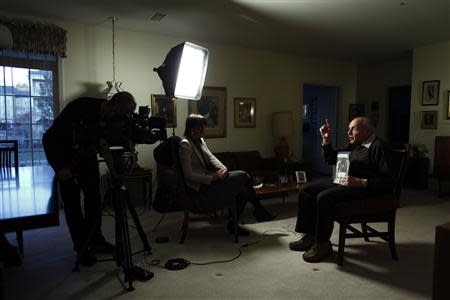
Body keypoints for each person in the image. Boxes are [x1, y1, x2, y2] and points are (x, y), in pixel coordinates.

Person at [42, 91, 137, 265]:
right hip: (65, 157)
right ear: (114, 106)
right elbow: (49, 138)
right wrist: (60, 166)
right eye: (124, 113)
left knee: (94, 199)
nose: (125, 117)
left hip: (86, 157)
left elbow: (104, 142)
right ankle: (81, 248)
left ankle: (96, 241)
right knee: (72, 205)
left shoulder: (111, 118)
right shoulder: (81, 107)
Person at [289, 117, 394, 262]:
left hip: (368, 191)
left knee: (324, 197)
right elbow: (331, 158)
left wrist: (360, 182)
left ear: (368, 130)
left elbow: (389, 183)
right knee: (306, 190)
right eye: (349, 128)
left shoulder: (379, 146)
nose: (349, 132)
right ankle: (311, 235)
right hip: (349, 183)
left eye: (354, 129)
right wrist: (326, 140)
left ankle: (323, 244)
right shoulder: (356, 144)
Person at [178, 114, 274, 235]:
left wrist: (223, 168)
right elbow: (188, 175)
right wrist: (212, 177)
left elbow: (211, 158)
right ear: (193, 128)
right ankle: (259, 210)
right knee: (244, 175)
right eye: (202, 127)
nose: (205, 130)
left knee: (244, 192)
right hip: (201, 188)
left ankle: (234, 223)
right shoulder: (185, 145)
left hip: (212, 180)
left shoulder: (200, 141)